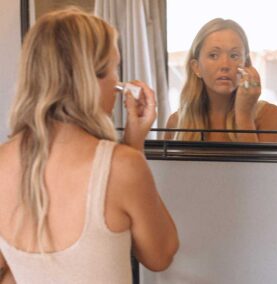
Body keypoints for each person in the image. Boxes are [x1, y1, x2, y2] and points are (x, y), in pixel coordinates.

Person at [0, 7, 178, 284]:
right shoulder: (123, 167)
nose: (118, 84)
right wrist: (133, 148)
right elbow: (160, 255)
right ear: (88, 79)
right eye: (113, 69)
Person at [165, 18, 277, 142]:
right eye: (213, 55)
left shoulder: (269, 115)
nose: (225, 65)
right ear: (196, 67)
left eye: (234, 55)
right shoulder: (176, 123)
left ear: (246, 64)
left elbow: (255, 163)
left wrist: (244, 116)